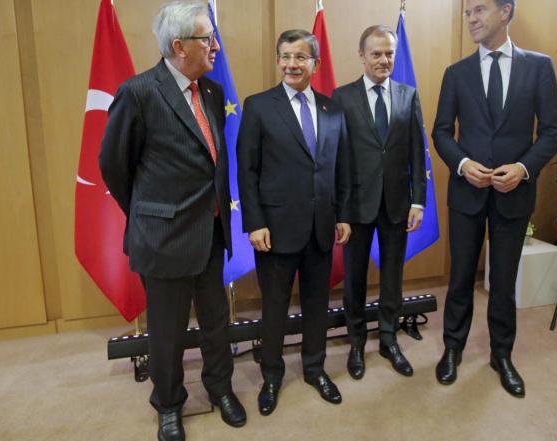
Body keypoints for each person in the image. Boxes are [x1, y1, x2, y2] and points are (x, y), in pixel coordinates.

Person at [99, 2, 246, 440]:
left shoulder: (212, 91)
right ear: (180, 46)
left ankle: (221, 389)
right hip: (164, 239)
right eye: (208, 38)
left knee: (217, 323)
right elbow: (113, 166)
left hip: (212, 234)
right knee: (167, 333)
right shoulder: (139, 92)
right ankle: (168, 404)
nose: (216, 46)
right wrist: (150, 215)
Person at [432, 0, 557, 398]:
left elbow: (552, 130)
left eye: (479, 10)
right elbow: (441, 132)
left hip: (514, 194)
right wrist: (462, 164)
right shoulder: (456, 73)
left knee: (503, 282)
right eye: (468, 12)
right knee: (460, 278)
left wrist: (523, 168)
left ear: (505, 12)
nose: (471, 18)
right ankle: (452, 349)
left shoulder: (539, 67)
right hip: (466, 193)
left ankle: (501, 355)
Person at [236, 29, 351, 416]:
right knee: (274, 307)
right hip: (275, 229)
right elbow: (247, 170)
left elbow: (341, 167)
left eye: (300, 57)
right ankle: (271, 375)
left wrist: (343, 215)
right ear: (278, 61)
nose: (291, 64)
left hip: (321, 227)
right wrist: (254, 222)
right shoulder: (258, 106)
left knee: (318, 304)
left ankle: (315, 369)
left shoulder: (333, 109)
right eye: (285, 56)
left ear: (315, 64)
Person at [332, 25, 426, 380]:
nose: (384, 60)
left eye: (389, 53)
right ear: (362, 56)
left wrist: (419, 202)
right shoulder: (342, 97)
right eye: (376, 53)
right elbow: (337, 158)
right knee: (354, 279)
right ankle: (356, 342)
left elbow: (417, 151)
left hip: (397, 204)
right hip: (356, 205)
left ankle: (389, 338)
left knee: (392, 278)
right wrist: (339, 211)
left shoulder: (408, 95)